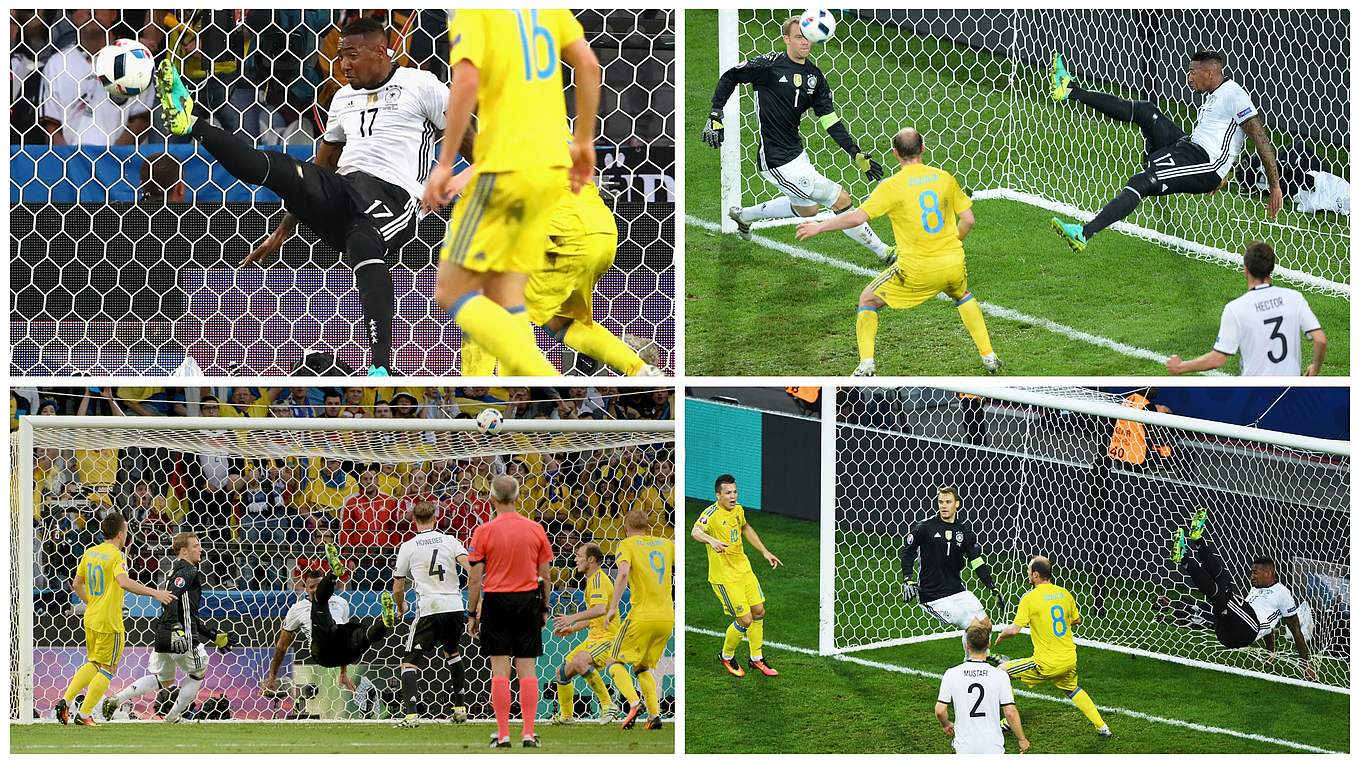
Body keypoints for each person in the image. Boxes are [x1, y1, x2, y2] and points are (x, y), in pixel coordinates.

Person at [156, 18, 454, 376]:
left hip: (393, 198)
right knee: (283, 170)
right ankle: (192, 123)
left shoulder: (421, 85)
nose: (342, 64)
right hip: (344, 189)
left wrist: (459, 181)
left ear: (379, 51)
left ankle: (379, 367)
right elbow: (324, 167)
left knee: (362, 242)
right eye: (340, 55)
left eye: (351, 55)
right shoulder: (343, 98)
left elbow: (468, 138)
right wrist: (282, 231)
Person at [421, 10, 601, 377]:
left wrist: (444, 163)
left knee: (450, 290)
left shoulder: (474, 12)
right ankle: (545, 385)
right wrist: (583, 140)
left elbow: (467, 80)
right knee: (504, 293)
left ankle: (544, 378)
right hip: (551, 172)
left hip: (504, 170)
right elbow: (588, 64)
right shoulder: (549, 9)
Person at [454, 128, 663, 378]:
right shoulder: (558, 127)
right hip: (603, 232)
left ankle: (476, 385)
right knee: (560, 321)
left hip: (564, 234)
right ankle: (639, 369)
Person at [796, 127, 999, 377]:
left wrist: (819, 227)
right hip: (953, 262)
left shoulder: (891, 186)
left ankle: (866, 364)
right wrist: (951, 243)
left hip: (917, 269)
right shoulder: (944, 177)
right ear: (923, 149)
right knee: (962, 295)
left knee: (867, 299)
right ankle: (989, 356)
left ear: (895, 154)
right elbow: (968, 220)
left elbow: (857, 217)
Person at [1048, 51, 1283, 253]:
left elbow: (1259, 139)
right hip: (1189, 146)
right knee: (1146, 111)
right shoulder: (1216, 96)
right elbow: (1229, 138)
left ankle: (1083, 233)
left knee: (1142, 181)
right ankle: (1069, 89)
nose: (1189, 77)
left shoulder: (1234, 94)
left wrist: (1274, 186)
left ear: (1210, 73)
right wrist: (1227, 171)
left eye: (1193, 72)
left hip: (1204, 163)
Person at [702, 16, 891, 262]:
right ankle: (884, 252)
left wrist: (854, 152)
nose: (805, 42)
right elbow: (731, 76)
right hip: (775, 160)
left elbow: (829, 120)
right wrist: (716, 112)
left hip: (797, 154)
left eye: (807, 37)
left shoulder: (814, 77)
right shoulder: (768, 66)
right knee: (840, 198)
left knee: (808, 209)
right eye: (799, 37)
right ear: (786, 39)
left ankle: (743, 216)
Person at [54, 513, 175, 725]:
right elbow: (124, 582)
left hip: (91, 617)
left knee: (94, 662)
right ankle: (84, 714)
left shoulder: (90, 553)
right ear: (121, 534)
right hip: (109, 620)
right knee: (108, 668)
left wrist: (91, 602)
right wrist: (155, 593)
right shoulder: (116, 556)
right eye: (126, 531)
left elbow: (76, 584)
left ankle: (66, 700)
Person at [101, 532, 232, 722]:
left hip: (163, 633)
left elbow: (183, 610)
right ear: (184, 551)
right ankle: (173, 717)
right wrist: (177, 628)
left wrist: (211, 634)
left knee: (163, 679)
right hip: (181, 634)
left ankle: (117, 698)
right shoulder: (189, 571)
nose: (200, 549)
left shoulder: (174, 571)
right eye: (195, 546)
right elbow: (172, 599)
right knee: (198, 673)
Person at [1171, 508, 1315, 679]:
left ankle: (1184, 558)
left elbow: (1296, 631)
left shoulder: (1283, 593)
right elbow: (1270, 627)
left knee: (1223, 593)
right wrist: (1271, 654)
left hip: (1247, 631)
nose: (1251, 576)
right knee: (1222, 581)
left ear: (1269, 573)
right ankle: (1197, 540)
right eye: (1251, 572)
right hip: (1226, 632)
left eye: (1256, 572)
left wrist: (1307, 665)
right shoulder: (1256, 589)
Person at [465, 475, 554, 747]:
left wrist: (472, 613)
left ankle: (503, 735)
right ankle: (528, 733)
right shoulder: (535, 529)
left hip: (497, 602)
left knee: (500, 670)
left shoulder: (483, 531)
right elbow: (546, 574)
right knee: (527, 668)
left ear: (491, 498)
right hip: (527, 600)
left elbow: (475, 578)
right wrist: (544, 607)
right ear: (517, 497)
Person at [261, 546, 396, 705]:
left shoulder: (342, 603)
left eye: (319, 585)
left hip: (344, 651)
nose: (315, 589)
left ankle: (385, 621)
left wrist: (344, 673)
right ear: (305, 589)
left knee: (362, 633)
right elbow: (281, 646)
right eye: (311, 587)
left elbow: (345, 636)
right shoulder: (297, 609)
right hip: (322, 651)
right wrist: (272, 677)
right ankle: (334, 572)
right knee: (321, 610)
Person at [1166, 241, 1325, 376]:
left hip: (1256, 393)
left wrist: (1181, 366)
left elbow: (1217, 359)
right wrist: (1315, 368)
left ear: (1246, 269)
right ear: (1272, 268)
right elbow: (1320, 339)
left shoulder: (1236, 309)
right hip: (1290, 392)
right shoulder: (1294, 298)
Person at [994, 556, 1111, 738]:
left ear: (1035, 575)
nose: (1027, 573)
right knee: (1072, 689)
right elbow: (1077, 620)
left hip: (1046, 663)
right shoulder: (1064, 593)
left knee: (1001, 671)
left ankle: (1009, 721)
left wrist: (1001, 635)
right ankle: (1102, 726)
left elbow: (1014, 630)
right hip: (1069, 659)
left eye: (1028, 571)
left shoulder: (1030, 597)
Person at [691, 474, 782, 678]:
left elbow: (745, 528)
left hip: (744, 570)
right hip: (725, 576)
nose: (732, 496)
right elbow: (695, 531)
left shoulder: (738, 509)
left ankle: (756, 658)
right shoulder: (711, 514)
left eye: (734, 492)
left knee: (759, 611)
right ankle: (726, 655)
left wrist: (764, 552)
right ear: (718, 495)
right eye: (728, 493)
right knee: (745, 619)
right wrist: (710, 540)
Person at [391, 500, 472, 727]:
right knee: (453, 653)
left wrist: (401, 607)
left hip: (429, 607)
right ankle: (459, 709)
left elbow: (398, 587)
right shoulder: (451, 541)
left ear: (413, 520)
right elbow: (471, 567)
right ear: (436, 518)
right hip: (455, 606)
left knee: (409, 664)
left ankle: (411, 715)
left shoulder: (409, 546)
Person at [900, 486, 1005, 650]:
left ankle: (982, 655)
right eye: (940, 502)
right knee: (975, 628)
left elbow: (976, 561)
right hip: (933, 595)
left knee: (987, 625)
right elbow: (907, 552)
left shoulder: (963, 532)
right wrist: (908, 578)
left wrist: (991, 586)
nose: (943, 506)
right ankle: (973, 662)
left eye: (948, 502)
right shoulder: (925, 527)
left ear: (957, 504)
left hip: (957, 590)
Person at [605, 509, 674, 730]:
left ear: (626, 528)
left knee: (613, 662)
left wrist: (613, 607)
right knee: (642, 667)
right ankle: (654, 716)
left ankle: (634, 703)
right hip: (667, 618)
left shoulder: (626, 545)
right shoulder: (665, 544)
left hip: (642, 616)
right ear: (648, 527)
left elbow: (623, 573)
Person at [549, 543, 619, 725]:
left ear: (591, 559)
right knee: (562, 672)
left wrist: (571, 618)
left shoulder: (598, 580)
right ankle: (566, 716)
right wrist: (574, 628)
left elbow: (600, 609)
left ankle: (608, 704)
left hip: (607, 638)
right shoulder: (592, 580)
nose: (575, 559)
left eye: (579, 555)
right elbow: (595, 615)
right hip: (594, 638)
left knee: (579, 662)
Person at [936, 623, 1029, 754]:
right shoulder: (1000, 675)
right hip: (992, 745)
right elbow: (1010, 713)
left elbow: (940, 711)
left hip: (964, 746)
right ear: (988, 645)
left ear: (967, 646)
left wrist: (946, 724)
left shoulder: (951, 674)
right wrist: (1022, 739)